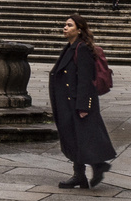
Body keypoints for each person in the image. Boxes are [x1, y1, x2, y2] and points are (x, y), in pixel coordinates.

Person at [48, 14, 116, 190]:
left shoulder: (82, 48)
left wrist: (84, 105)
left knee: (81, 138)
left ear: (79, 30)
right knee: (75, 138)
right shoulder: (71, 47)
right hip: (68, 102)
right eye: (65, 25)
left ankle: (90, 169)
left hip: (77, 103)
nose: (65, 28)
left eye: (69, 25)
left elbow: (86, 79)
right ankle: (84, 173)